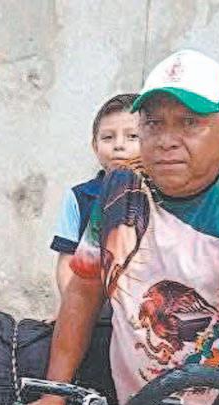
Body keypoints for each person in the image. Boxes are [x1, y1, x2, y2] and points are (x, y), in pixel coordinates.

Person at [29, 49, 219, 405]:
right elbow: (83, 291)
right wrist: (55, 394)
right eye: (154, 123)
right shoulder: (122, 187)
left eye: (190, 123)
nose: (167, 139)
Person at [50, 93, 142, 296]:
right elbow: (67, 262)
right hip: (94, 305)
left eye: (132, 136)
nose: (119, 145)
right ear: (95, 146)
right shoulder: (80, 197)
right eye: (108, 137)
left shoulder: (160, 196)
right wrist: (71, 306)